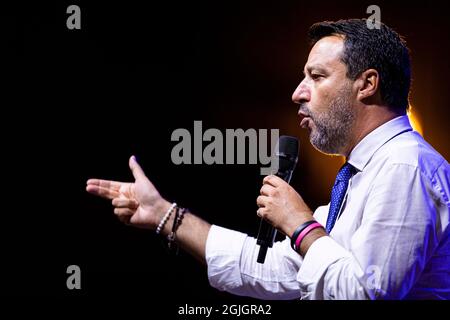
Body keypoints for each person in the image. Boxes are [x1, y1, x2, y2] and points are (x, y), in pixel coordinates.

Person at [86, 19, 450, 300]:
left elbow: (363, 294)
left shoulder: (406, 167)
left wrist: (300, 224)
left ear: (367, 84)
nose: (297, 93)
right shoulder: (362, 174)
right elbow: (274, 269)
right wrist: (166, 216)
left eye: (316, 76)